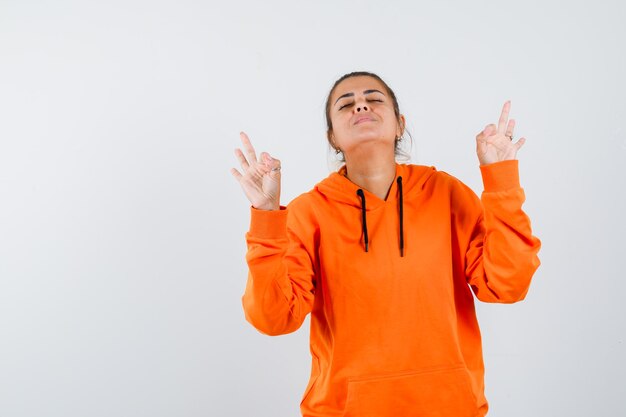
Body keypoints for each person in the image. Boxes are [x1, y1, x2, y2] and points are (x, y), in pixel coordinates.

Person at [230, 71, 541, 417]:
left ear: (399, 124)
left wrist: (500, 180)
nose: (360, 104)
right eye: (345, 104)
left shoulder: (445, 193)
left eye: (374, 98)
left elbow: (508, 284)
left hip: (450, 407)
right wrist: (265, 215)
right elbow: (273, 319)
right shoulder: (310, 212)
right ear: (333, 137)